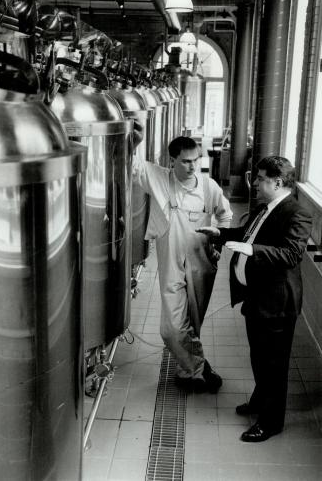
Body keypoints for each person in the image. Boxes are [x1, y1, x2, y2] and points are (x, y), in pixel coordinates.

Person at [196, 156, 312, 441]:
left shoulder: (296, 213)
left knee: (274, 364)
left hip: (277, 304)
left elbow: (291, 254)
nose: (255, 183)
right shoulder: (265, 209)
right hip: (258, 298)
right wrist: (220, 234)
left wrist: (251, 251)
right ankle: (261, 401)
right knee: (259, 357)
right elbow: (245, 235)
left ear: (278, 182)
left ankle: (271, 422)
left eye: (260, 178)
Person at [133, 136, 233, 393]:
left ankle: (189, 370)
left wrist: (220, 240)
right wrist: (133, 140)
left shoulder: (209, 187)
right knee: (172, 328)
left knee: (192, 320)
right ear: (172, 160)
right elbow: (129, 165)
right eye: (186, 161)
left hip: (202, 259)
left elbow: (225, 214)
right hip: (172, 260)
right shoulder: (158, 178)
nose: (192, 167)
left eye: (196, 160)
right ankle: (199, 367)